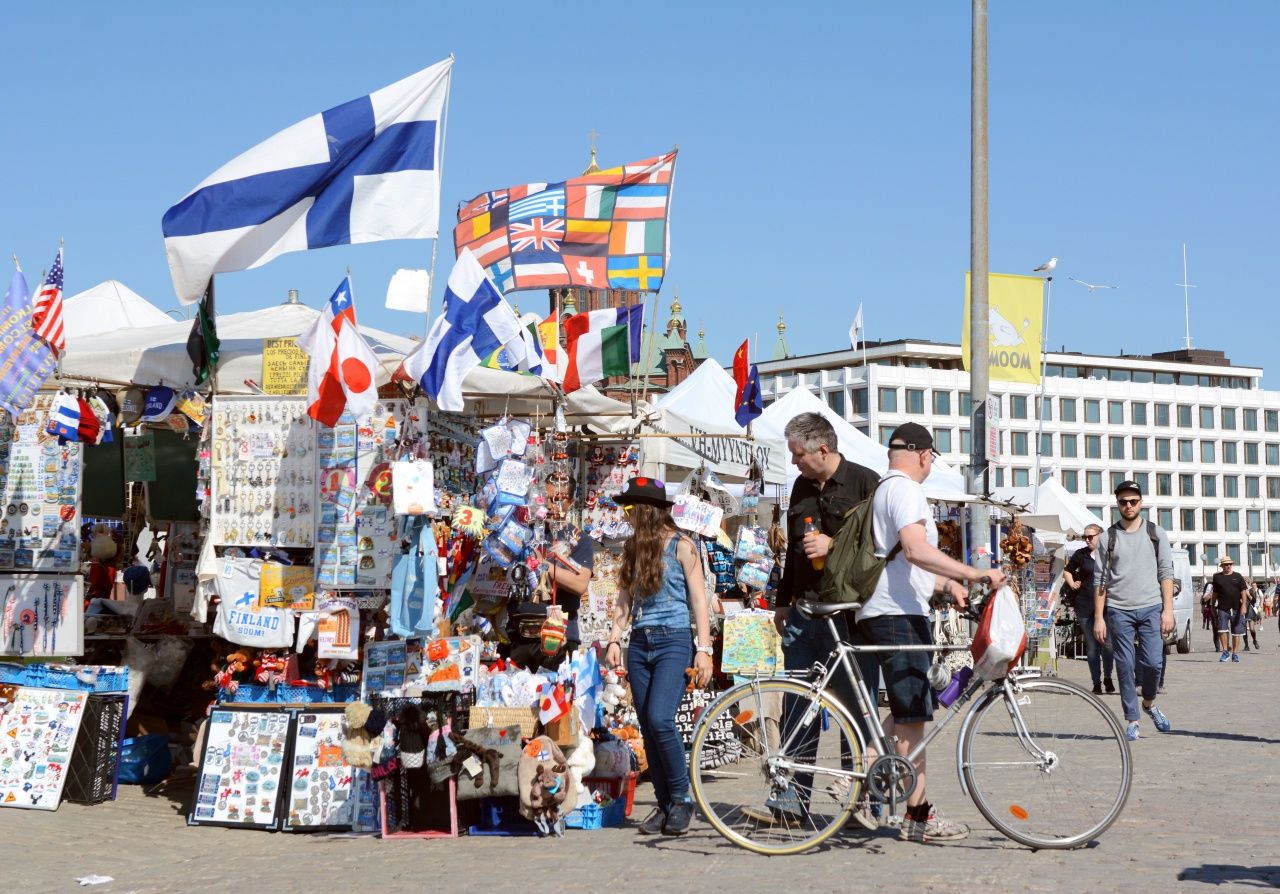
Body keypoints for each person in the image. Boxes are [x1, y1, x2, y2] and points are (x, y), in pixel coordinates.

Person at [857, 422, 1006, 843]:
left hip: (886, 609)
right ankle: (912, 812)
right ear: (924, 455)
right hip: (898, 614)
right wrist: (973, 572)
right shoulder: (905, 489)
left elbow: (899, 562)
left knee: (911, 711)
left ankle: (874, 778)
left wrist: (947, 584)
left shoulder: (884, 489)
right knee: (912, 719)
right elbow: (914, 549)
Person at [766, 412, 880, 827]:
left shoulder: (866, 483)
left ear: (823, 449)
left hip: (849, 616)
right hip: (804, 612)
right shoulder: (799, 486)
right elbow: (793, 552)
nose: (793, 461)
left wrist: (835, 545)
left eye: (798, 454)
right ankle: (791, 804)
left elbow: (879, 548)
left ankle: (861, 802)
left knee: (856, 709)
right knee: (798, 707)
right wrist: (783, 601)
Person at [604, 477, 713, 837]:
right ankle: (665, 805)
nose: (627, 515)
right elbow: (625, 597)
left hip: (674, 641)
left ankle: (682, 799)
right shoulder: (634, 547)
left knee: (660, 718)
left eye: (631, 508)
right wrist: (615, 639)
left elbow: (699, 601)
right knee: (648, 725)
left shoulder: (683, 546)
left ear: (647, 510)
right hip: (640, 642)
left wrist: (704, 650)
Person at [1093, 481, 1175, 741]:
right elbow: (1100, 580)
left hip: (1151, 607)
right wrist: (1099, 618)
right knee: (1125, 665)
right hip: (1119, 610)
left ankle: (1149, 703)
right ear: (1117, 504)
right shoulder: (1108, 537)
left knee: (1153, 663)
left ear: (1141, 502)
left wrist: (1168, 610)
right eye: (1123, 502)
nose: (1128, 506)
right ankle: (1132, 719)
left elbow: (1166, 573)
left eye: (1133, 501)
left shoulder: (1155, 533)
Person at [1062, 524, 1113, 695]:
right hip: (1084, 605)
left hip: (1107, 607)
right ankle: (1096, 683)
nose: (1087, 540)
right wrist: (1072, 583)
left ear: (1100, 536)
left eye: (1090, 536)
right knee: (1092, 647)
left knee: (1108, 645)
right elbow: (1067, 571)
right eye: (1085, 537)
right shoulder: (1081, 554)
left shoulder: (1109, 554)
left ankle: (1108, 677)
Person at [1207, 557, 1247, 662]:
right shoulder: (1217, 577)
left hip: (1237, 608)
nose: (1228, 566)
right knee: (1222, 630)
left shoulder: (1238, 576)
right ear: (1222, 566)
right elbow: (1215, 593)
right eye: (1226, 564)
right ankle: (1225, 652)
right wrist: (1212, 606)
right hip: (1222, 608)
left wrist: (1244, 605)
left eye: (1230, 564)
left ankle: (1235, 654)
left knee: (1236, 632)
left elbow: (1243, 591)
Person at [1244, 581, 1262, 651]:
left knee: (1252, 629)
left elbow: (1254, 601)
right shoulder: (1239, 590)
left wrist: (1248, 594)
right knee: (1244, 630)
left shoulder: (1251, 590)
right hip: (1243, 610)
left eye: (1245, 583)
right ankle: (1246, 645)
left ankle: (1254, 640)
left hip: (1250, 610)